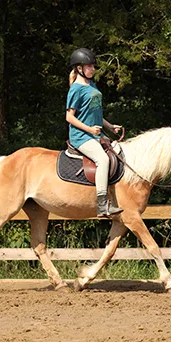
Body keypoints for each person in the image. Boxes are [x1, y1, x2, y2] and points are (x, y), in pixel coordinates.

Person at [66, 48, 124, 218]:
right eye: (89, 66)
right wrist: (90, 129)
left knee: (118, 154)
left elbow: (95, 112)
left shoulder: (91, 84)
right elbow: (69, 117)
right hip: (81, 136)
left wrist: (110, 126)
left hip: (95, 134)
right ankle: (102, 206)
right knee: (103, 159)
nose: (93, 69)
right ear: (79, 68)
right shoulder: (76, 89)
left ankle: (115, 200)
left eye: (93, 66)